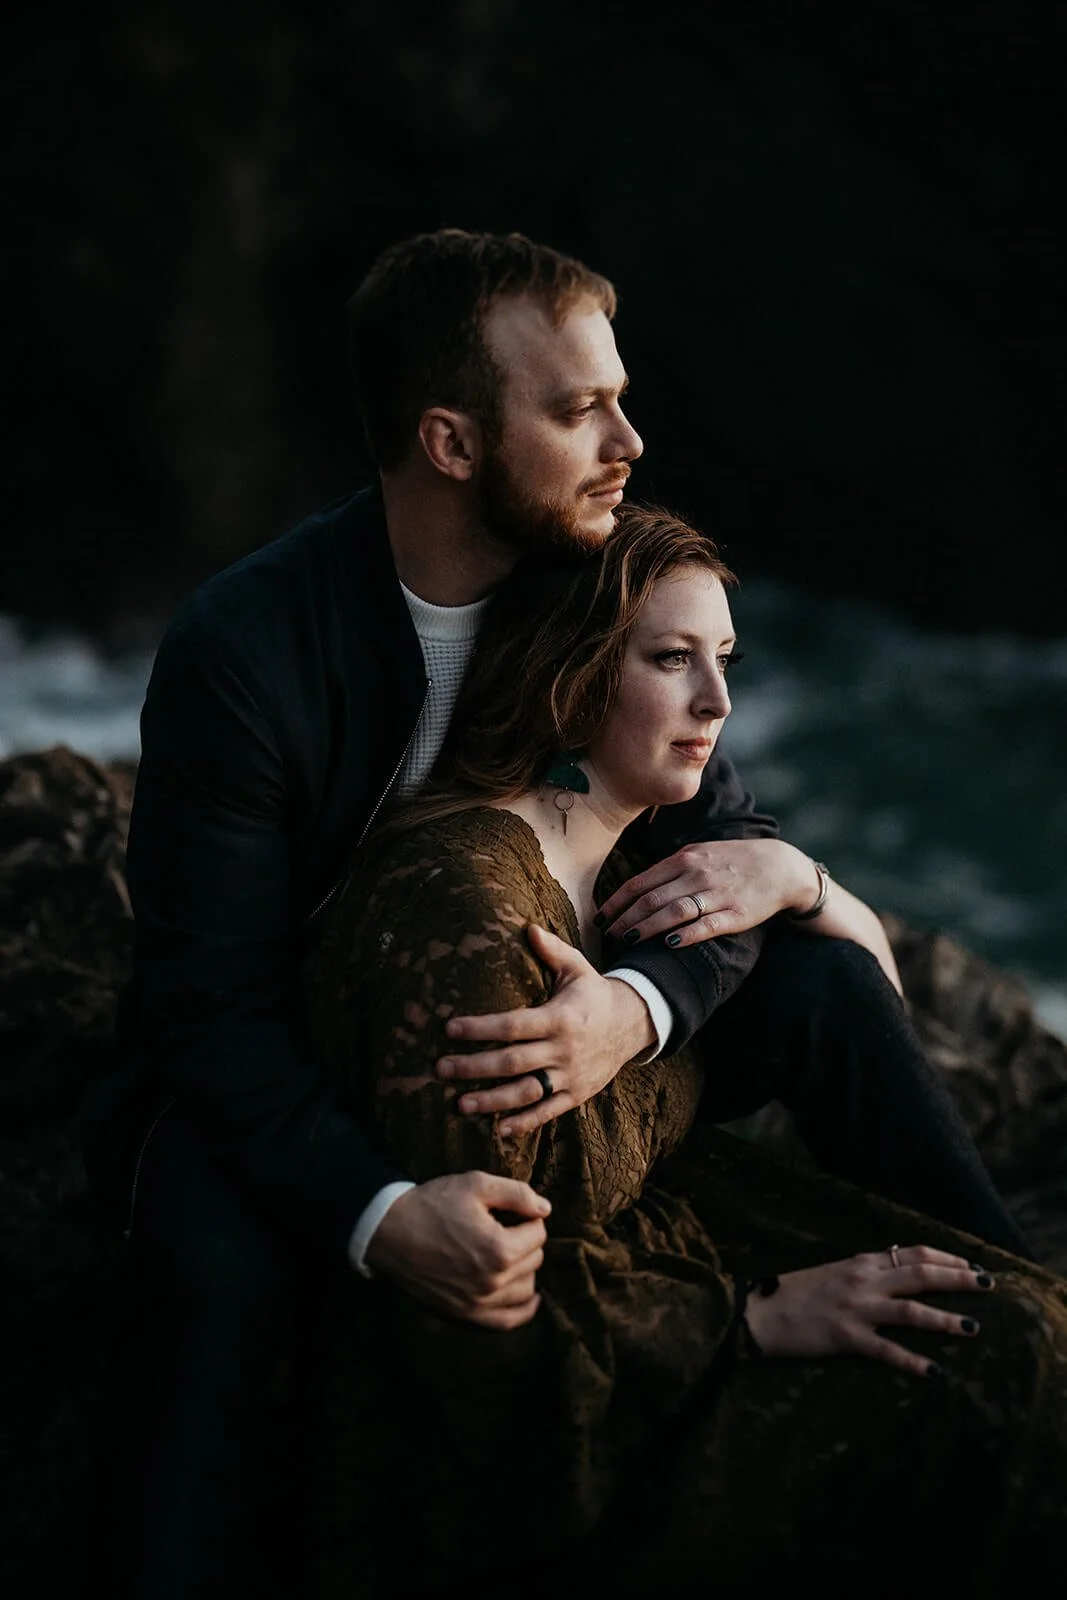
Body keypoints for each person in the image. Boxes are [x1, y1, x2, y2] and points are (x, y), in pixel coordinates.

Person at [83, 228, 1027, 1596]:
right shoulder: (249, 650)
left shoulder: (591, 574)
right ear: (451, 442)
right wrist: (379, 1207)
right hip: (308, 1073)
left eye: (617, 398)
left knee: (825, 993)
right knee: (217, 1271)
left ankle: (1012, 1312)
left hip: (554, 1040)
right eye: (577, 409)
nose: (627, 440)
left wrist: (630, 1011)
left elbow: (724, 851)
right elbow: (206, 1010)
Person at [303, 506, 1067, 1597]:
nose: (717, 704)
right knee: (1008, 1363)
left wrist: (789, 880)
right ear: (569, 679)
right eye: (671, 661)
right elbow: (478, 1329)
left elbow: (862, 991)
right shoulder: (471, 918)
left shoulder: (629, 856)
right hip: (572, 1403)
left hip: (639, 1229)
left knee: (1019, 1330)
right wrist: (754, 1317)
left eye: (724, 662)